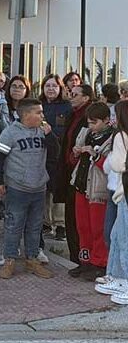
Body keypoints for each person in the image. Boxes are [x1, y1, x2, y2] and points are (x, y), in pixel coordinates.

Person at [0, 98, 58, 279]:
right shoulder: (10, 133)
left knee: (35, 226)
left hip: (38, 188)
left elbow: (55, 153)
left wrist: (50, 135)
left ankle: (32, 259)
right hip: (17, 188)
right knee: (13, 225)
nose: (42, 115)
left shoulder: (42, 131)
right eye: (38, 112)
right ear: (26, 114)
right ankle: (10, 260)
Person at [68, 102, 114, 280]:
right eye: (89, 123)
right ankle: (85, 261)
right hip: (81, 184)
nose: (91, 127)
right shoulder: (86, 133)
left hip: (98, 189)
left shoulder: (113, 138)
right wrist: (76, 153)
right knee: (83, 227)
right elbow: (72, 160)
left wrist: (96, 155)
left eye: (94, 123)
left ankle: (99, 263)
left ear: (106, 120)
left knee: (98, 228)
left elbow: (112, 166)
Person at [56, 84, 96, 268]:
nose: (70, 96)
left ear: (86, 97)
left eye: (75, 94)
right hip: (69, 171)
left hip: (82, 174)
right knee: (71, 218)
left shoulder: (89, 116)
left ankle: (83, 259)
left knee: (79, 221)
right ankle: (76, 258)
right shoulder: (73, 114)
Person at [96, 101, 128, 303]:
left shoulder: (120, 136)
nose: (112, 118)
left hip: (124, 190)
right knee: (117, 233)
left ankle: (124, 280)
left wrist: (109, 160)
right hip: (122, 191)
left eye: (115, 114)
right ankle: (117, 277)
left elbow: (116, 163)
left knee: (123, 236)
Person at [39, 74, 71, 241]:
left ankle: (60, 225)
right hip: (40, 152)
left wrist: (52, 133)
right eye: (47, 86)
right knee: (43, 188)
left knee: (57, 189)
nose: (50, 89)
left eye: (54, 86)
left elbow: (67, 130)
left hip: (59, 153)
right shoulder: (39, 105)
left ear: (60, 88)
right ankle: (45, 222)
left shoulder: (67, 107)